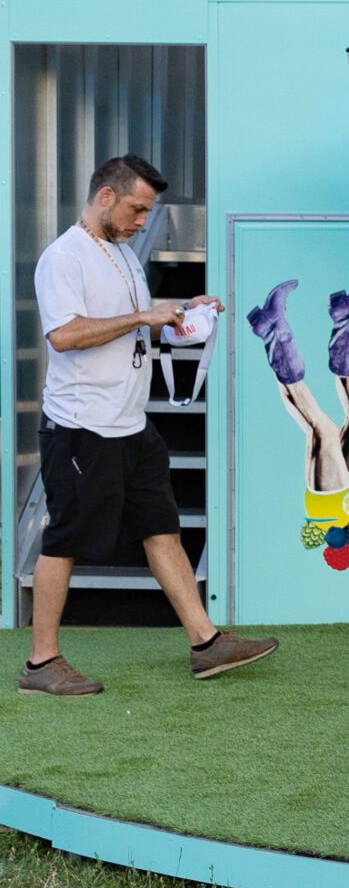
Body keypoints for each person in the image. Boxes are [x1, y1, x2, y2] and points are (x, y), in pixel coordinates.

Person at [22, 155, 278, 695]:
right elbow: (65, 336)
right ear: (107, 197)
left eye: (148, 212)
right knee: (63, 540)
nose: (143, 221)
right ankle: (41, 664)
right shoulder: (63, 258)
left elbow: (135, 333)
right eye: (138, 209)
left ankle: (206, 644)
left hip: (131, 426)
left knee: (163, 529)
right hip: (80, 427)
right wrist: (143, 316)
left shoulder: (123, 256)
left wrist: (182, 316)